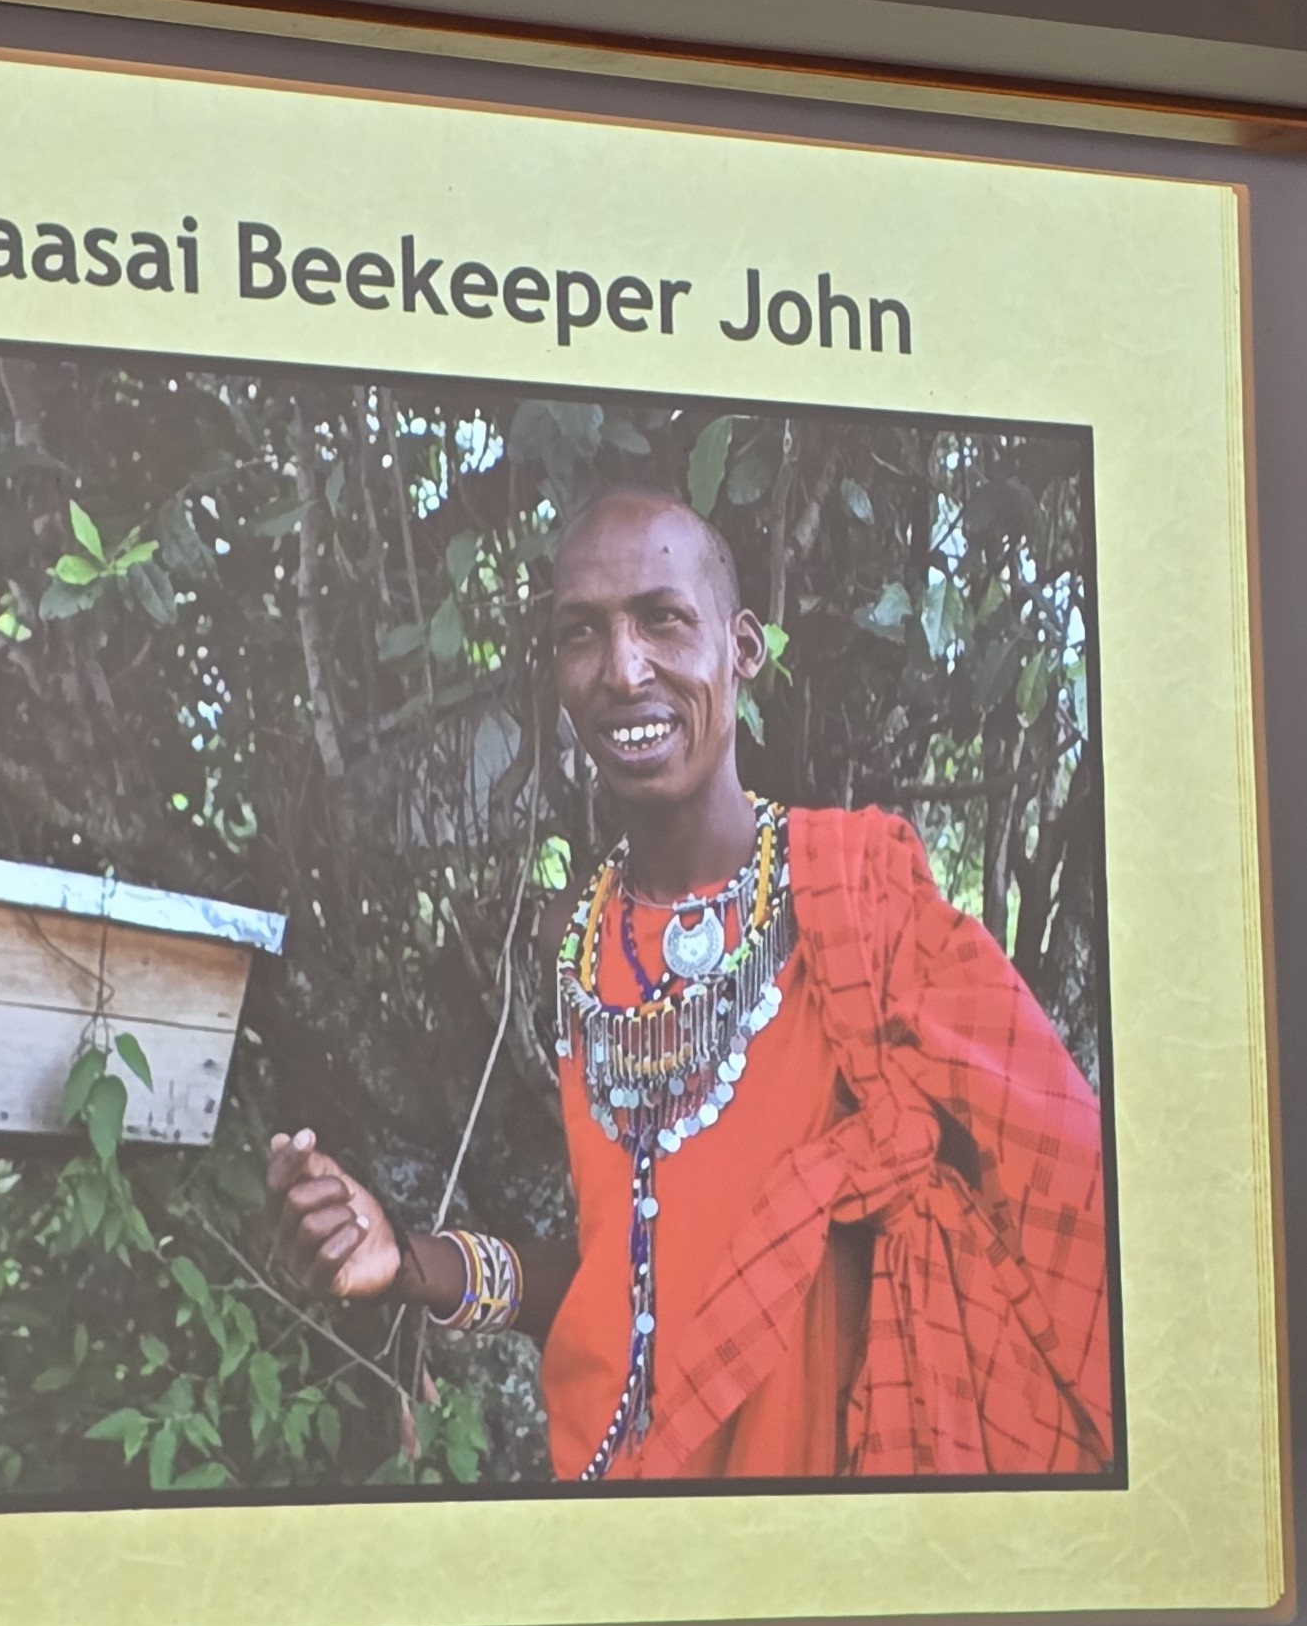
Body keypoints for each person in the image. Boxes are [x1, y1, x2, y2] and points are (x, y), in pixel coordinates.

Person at [267, 487, 1112, 1482]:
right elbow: (619, 1282)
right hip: (626, 1504)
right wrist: (407, 1263)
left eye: (662, 618)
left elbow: (1067, 1192)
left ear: (740, 647)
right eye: (580, 633)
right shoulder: (575, 941)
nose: (623, 670)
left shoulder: (859, 894)